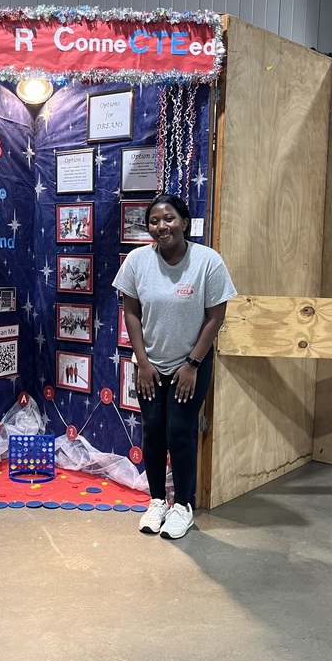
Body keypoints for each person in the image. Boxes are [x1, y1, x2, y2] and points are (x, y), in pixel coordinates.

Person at [113, 193, 236, 540]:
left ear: (183, 221)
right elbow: (131, 313)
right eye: (154, 221)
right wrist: (143, 362)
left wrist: (193, 364)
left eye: (169, 219)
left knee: (180, 432)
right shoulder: (137, 261)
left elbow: (216, 317)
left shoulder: (208, 262)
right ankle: (156, 502)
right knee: (153, 431)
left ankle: (182, 505)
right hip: (151, 364)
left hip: (191, 364)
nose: (161, 226)